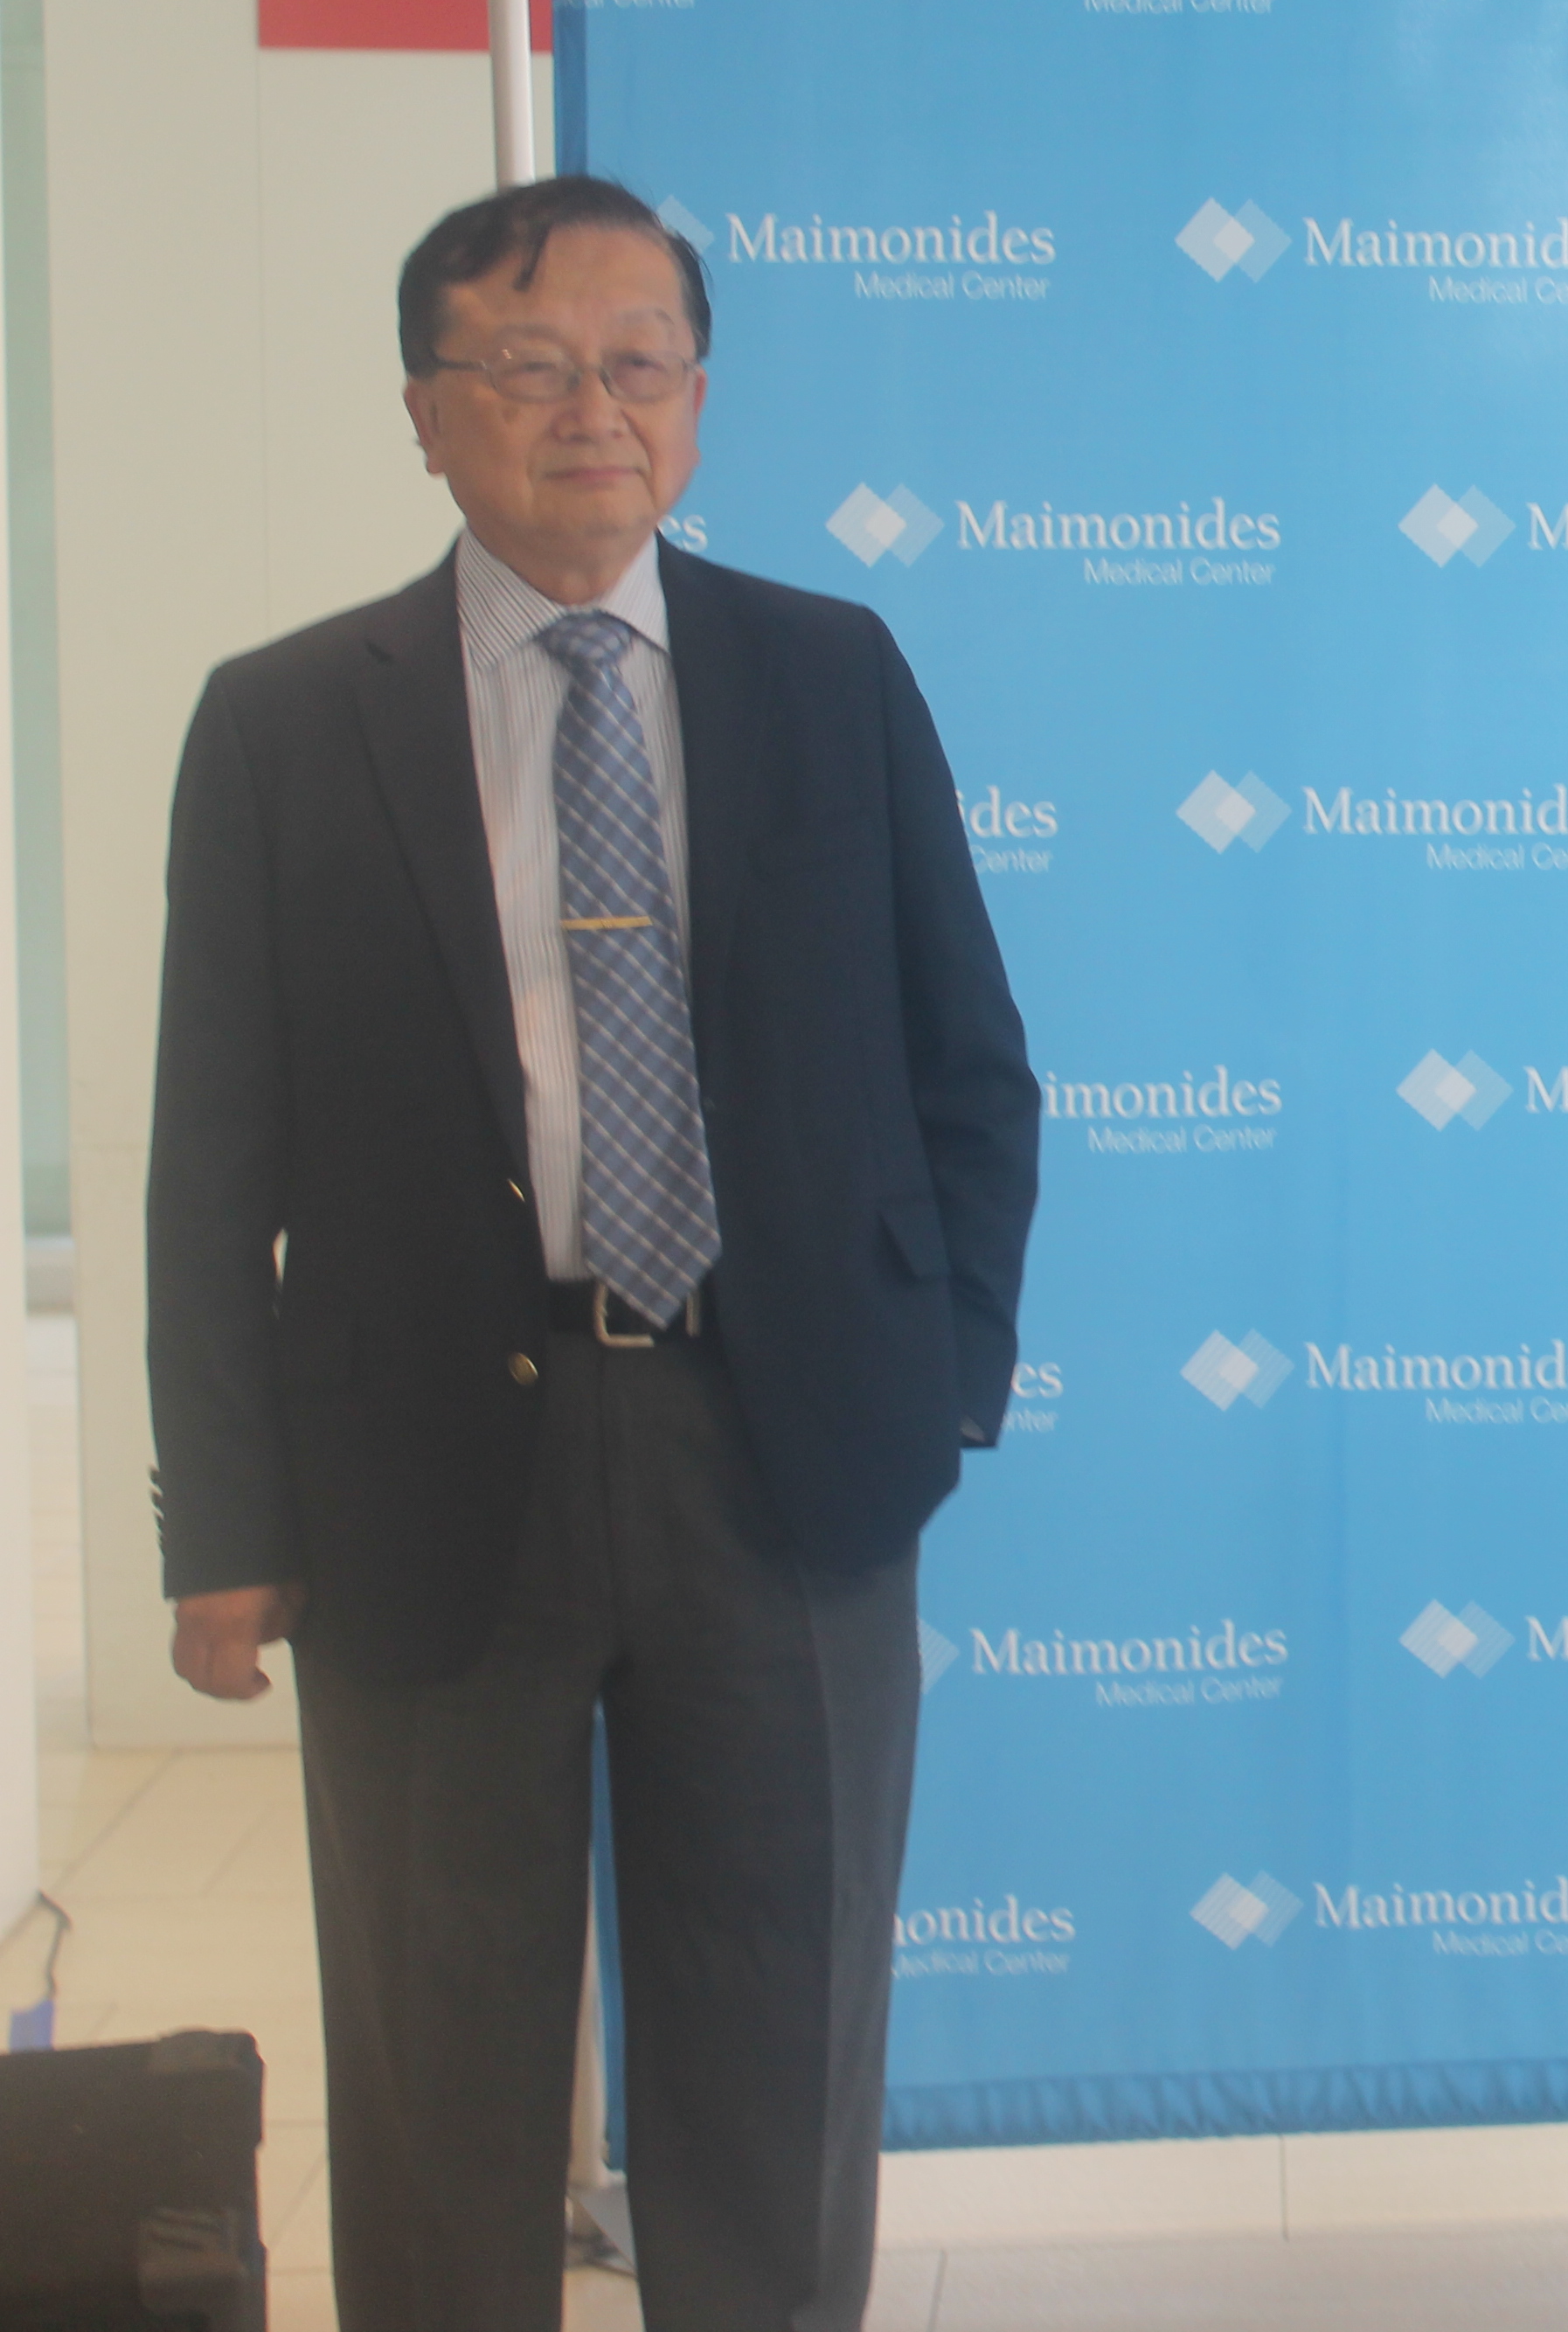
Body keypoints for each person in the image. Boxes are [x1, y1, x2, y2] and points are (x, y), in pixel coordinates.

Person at [145, 175, 1040, 2329]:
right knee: (435, 2061)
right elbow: (208, 1159)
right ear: (425, 409)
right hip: (426, 1466)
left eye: (641, 365)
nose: (593, 412)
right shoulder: (287, 718)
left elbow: (971, 1066)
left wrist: (939, 1380)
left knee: (781, 2045)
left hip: (782, 1445)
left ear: (698, 402)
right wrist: (225, 1523)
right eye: (531, 367)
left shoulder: (830, 672)